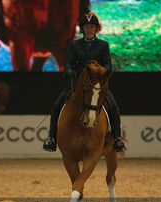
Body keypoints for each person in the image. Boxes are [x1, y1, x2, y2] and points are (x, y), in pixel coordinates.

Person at [43, 12, 126, 152]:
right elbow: (68, 62)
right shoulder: (74, 45)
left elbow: (107, 64)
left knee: (113, 105)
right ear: (83, 29)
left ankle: (117, 139)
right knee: (57, 105)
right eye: (87, 27)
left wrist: (102, 72)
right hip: (79, 84)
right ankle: (52, 139)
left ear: (96, 29)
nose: (89, 29)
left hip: (97, 85)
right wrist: (69, 71)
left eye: (92, 27)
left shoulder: (103, 45)